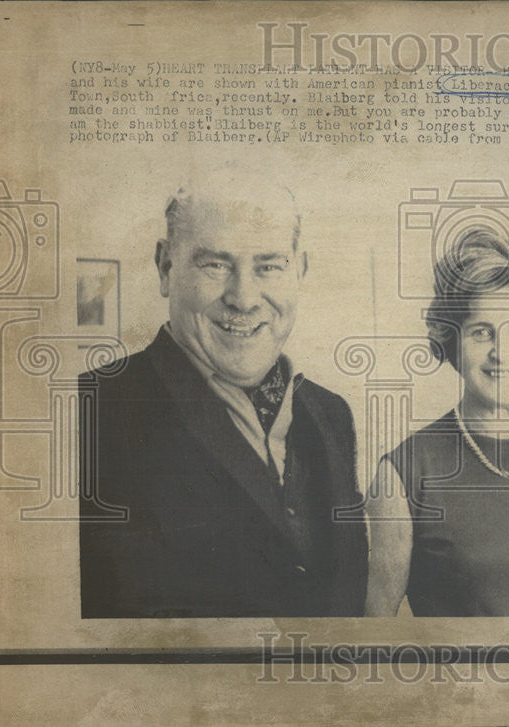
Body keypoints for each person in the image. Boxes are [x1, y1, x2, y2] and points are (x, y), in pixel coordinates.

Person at [79, 171, 368, 617]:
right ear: (165, 267)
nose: (244, 297)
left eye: (269, 266)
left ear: (301, 271)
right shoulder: (89, 409)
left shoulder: (331, 415)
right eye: (215, 264)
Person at [365, 228, 509, 616]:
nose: (502, 352)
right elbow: (374, 631)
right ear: (452, 345)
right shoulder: (405, 471)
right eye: (480, 332)